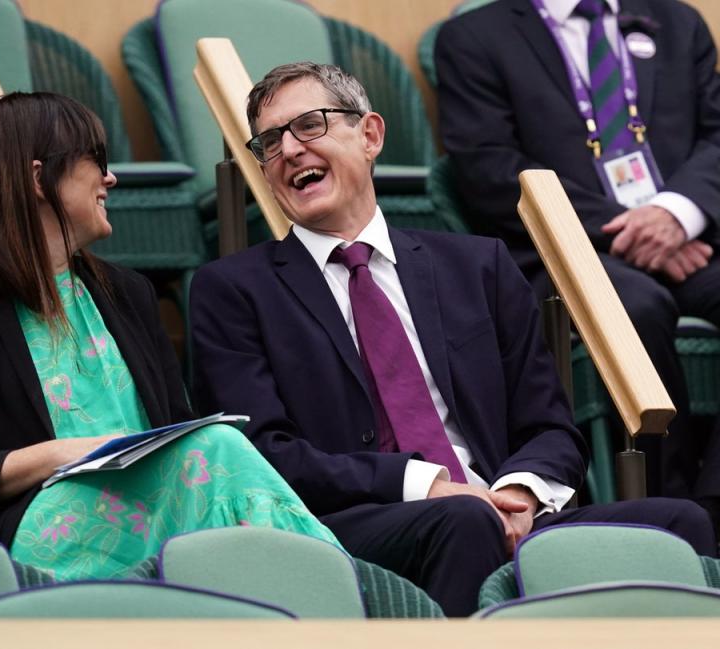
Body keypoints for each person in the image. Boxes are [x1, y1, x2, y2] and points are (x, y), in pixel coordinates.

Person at [188, 62, 717, 616]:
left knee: (680, 523)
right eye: (269, 142)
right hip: (347, 523)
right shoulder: (234, 289)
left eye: (309, 125)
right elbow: (261, 455)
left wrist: (522, 495)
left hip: (499, 504)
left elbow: (550, 427)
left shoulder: (477, 265)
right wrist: (428, 486)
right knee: (463, 521)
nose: (290, 150)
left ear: (370, 135)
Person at [0, 92, 339, 580]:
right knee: (221, 450)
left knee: (216, 451)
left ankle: (309, 596)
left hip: (156, 511)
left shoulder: (129, 292)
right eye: (96, 161)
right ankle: (336, 592)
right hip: (40, 533)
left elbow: (176, 431)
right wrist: (72, 453)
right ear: (37, 177)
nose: (111, 177)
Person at [435, 0, 720, 516]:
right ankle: (666, 509)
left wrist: (676, 215)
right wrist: (628, 230)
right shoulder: (474, 36)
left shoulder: (677, 21)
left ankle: (713, 506)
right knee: (635, 308)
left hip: (686, 236)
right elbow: (488, 168)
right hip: (563, 251)